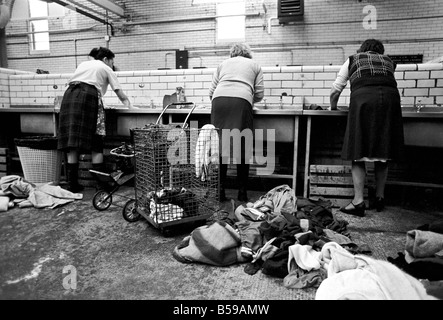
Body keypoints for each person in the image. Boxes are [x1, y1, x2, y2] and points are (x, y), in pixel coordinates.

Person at [329, 39, 404, 216]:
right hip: (390, 102)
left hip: (363, 101)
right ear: (380, 51)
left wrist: (333, 108)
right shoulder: (389, 62)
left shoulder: (353, 59)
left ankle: (358, 202)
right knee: (383, 153)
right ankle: (380, 198)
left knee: (358, 151)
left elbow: (336, 89)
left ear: (362, 49)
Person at [58, 47, 137, 192]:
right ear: (106, 59)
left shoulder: (83, 65)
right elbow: (119, 92)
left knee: (72, 142)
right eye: (112, 61)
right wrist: (129, 106)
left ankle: (72, 185)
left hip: (68, 96)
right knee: (96, 140)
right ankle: (100, 184)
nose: (112, 64)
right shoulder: (105, 67)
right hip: (88, 97)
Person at [209, 43, 264, 202]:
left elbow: (211, 91)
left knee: (222, 147)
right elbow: (260, 94)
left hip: (218, 101)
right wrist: (247, 96)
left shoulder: (222, 64)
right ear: (248, 53)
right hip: (241, 101)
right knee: (243, 146)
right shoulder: (255, 65)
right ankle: (242, 192)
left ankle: (220, 192)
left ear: (232, 53)